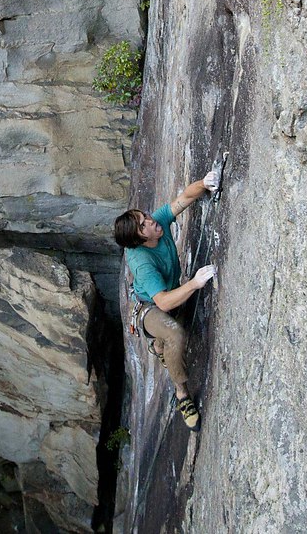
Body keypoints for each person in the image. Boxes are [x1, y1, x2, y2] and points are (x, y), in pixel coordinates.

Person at [114, 162, 221, 431]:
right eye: (143, 225)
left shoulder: (157, 226)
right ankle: (182, 395)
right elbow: (162, 302)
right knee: (174, 333)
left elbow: (183, 198)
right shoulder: (142, 262)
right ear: (138, 240)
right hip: (148, 308)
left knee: (168, 339)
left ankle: (159, 348)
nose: (149, 221)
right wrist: (195, 283)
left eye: (145, 217)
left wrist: (204, 183)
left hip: (163, 296)